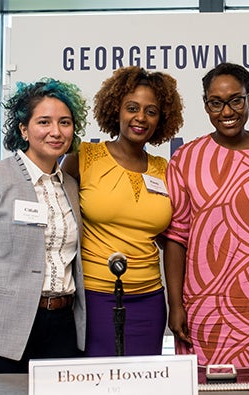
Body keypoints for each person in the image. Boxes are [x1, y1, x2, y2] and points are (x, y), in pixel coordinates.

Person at [0, 77, 89, 373]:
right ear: (23, 129)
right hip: (3, 333)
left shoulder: (72, 187)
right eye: (44, 122)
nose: (56, 131)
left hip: (64, 329)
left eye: (65, 122)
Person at [163, 62, 249, 372]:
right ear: (205, 104)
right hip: (205, 305)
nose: (227, 111)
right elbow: (176, 238)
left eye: (236, 99)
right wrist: (176, 304)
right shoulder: (186, 158)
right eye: (216, 102)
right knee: (207, 386)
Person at [61, 67, 184, 357]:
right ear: (115, 109)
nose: (140, 117)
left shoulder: (166, 171)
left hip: (150, 299)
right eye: (132, 108)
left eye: (151, 111)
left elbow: (175, 240)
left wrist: (177, 303)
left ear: (161, 119)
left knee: (145, 383)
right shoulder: (82, 160)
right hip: (95, 297)